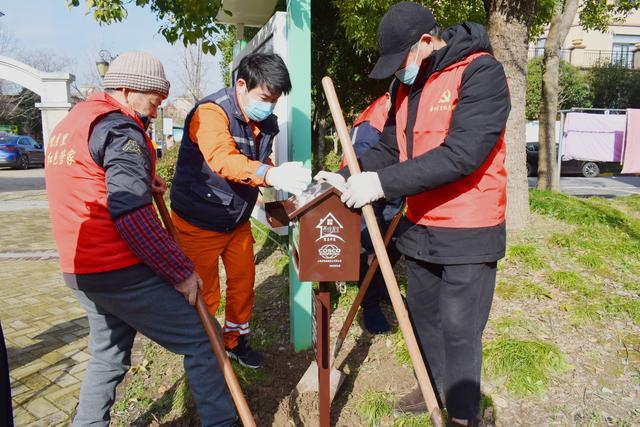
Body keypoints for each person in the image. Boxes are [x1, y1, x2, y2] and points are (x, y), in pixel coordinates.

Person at [316, 2, 510, 425]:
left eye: (400, 60)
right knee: (423, 316)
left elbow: (463, 154)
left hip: (468, 227)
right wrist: (350, 174)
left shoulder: (481, 72)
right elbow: (389, 145)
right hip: (420, 224)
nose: (397, 72)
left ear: (426, 41)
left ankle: (462, 414)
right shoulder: (405, 87)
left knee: (461, 331)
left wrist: (383, 185)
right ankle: (433, 386)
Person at [45, 51, 237, 427]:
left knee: (108, 354)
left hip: (79, 270)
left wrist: (139, 179)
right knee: (204, 338)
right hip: (117, 267)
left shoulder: (74, 122)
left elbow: (90, 179)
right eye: (154, 97)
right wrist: (180, 271)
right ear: (128, 88)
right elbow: (131, 215)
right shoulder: (120, 129)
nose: (157, 107)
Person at [170, 53, 310, 369]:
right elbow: (223, 159)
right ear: (242, 84)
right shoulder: (210, 113)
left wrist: (278, 172)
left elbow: (255, 161)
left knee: (243, 285)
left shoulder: (263, 121)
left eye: (275, 100)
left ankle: (234, 342)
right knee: (203, 294)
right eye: (264, 98)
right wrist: (269, 174)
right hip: (197, 222)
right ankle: (204, 357)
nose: (270, 106)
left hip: (236, 221)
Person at [341, 90, 404, 334]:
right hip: (367, 201)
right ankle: (370, 305)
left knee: (398, 240)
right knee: (371, 253)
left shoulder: (394, 113)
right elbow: (361, 176)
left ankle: (383, 286)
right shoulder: (371, 128)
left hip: (392, 198)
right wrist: (370, 237)